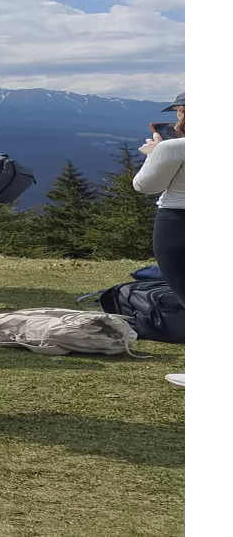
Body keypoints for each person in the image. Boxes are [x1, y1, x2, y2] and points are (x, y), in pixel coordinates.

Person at [134, 91, 185, 388]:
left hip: (179, 221)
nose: (176, 117)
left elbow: (145, 186)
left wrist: (154, 154)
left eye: (179, 111)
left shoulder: (174, 147)